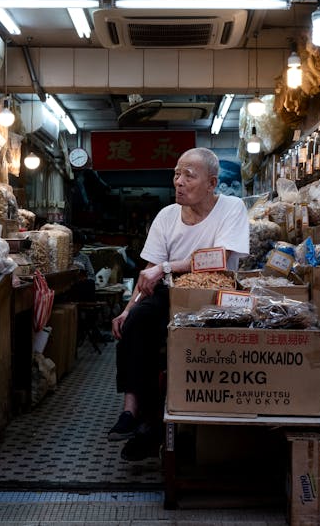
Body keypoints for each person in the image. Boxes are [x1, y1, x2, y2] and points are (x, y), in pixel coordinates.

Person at [107, 147, 250, 461]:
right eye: (176, 174)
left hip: (215, 299)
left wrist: (167, 267)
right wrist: (127, 310)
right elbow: (148, 274)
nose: (179, 182)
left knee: (181, 343)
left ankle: (155, 425)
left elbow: (221, 258)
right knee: (136, 323)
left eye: (189, 175)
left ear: (212, 183)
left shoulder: (231, 208)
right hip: (170, 295)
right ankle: (133, 413)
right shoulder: (167, 216)